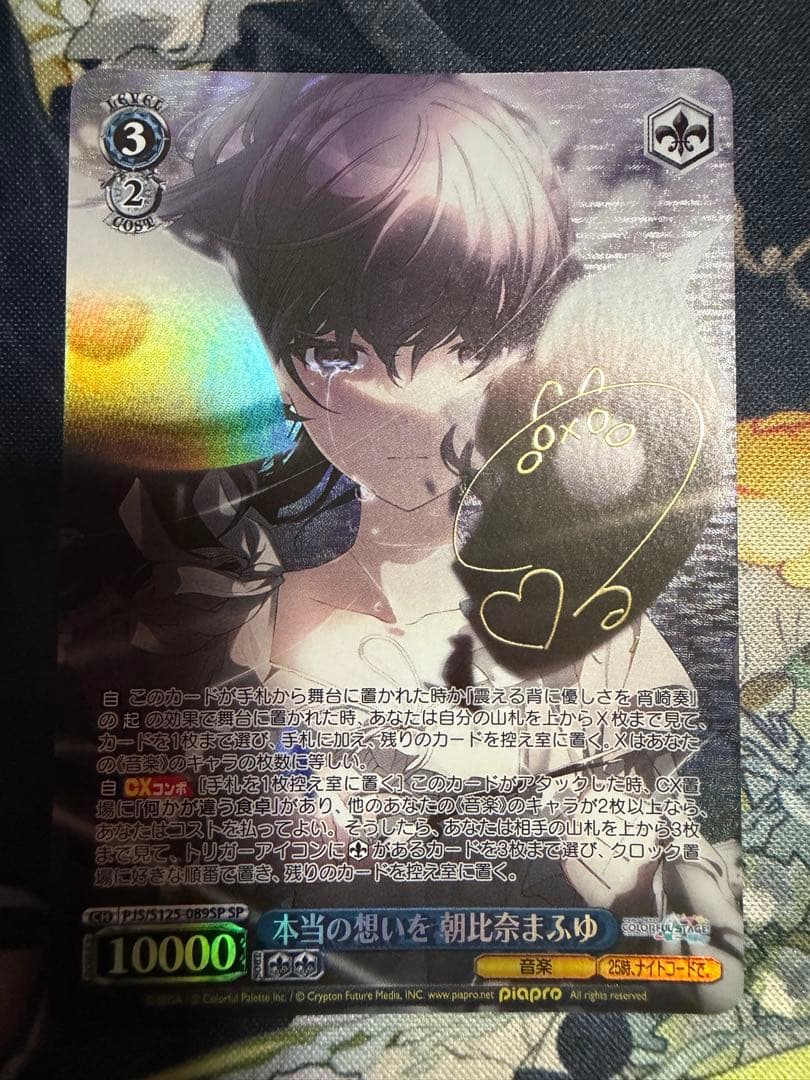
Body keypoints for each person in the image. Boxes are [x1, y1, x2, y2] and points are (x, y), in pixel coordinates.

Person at [115, 73, 742, 1009]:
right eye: (339, 353)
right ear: (279, 365)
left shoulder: (576, 619)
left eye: (475, 342)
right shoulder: (229, 626)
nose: (416, 401)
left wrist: (661, 895)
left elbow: (686, 943)